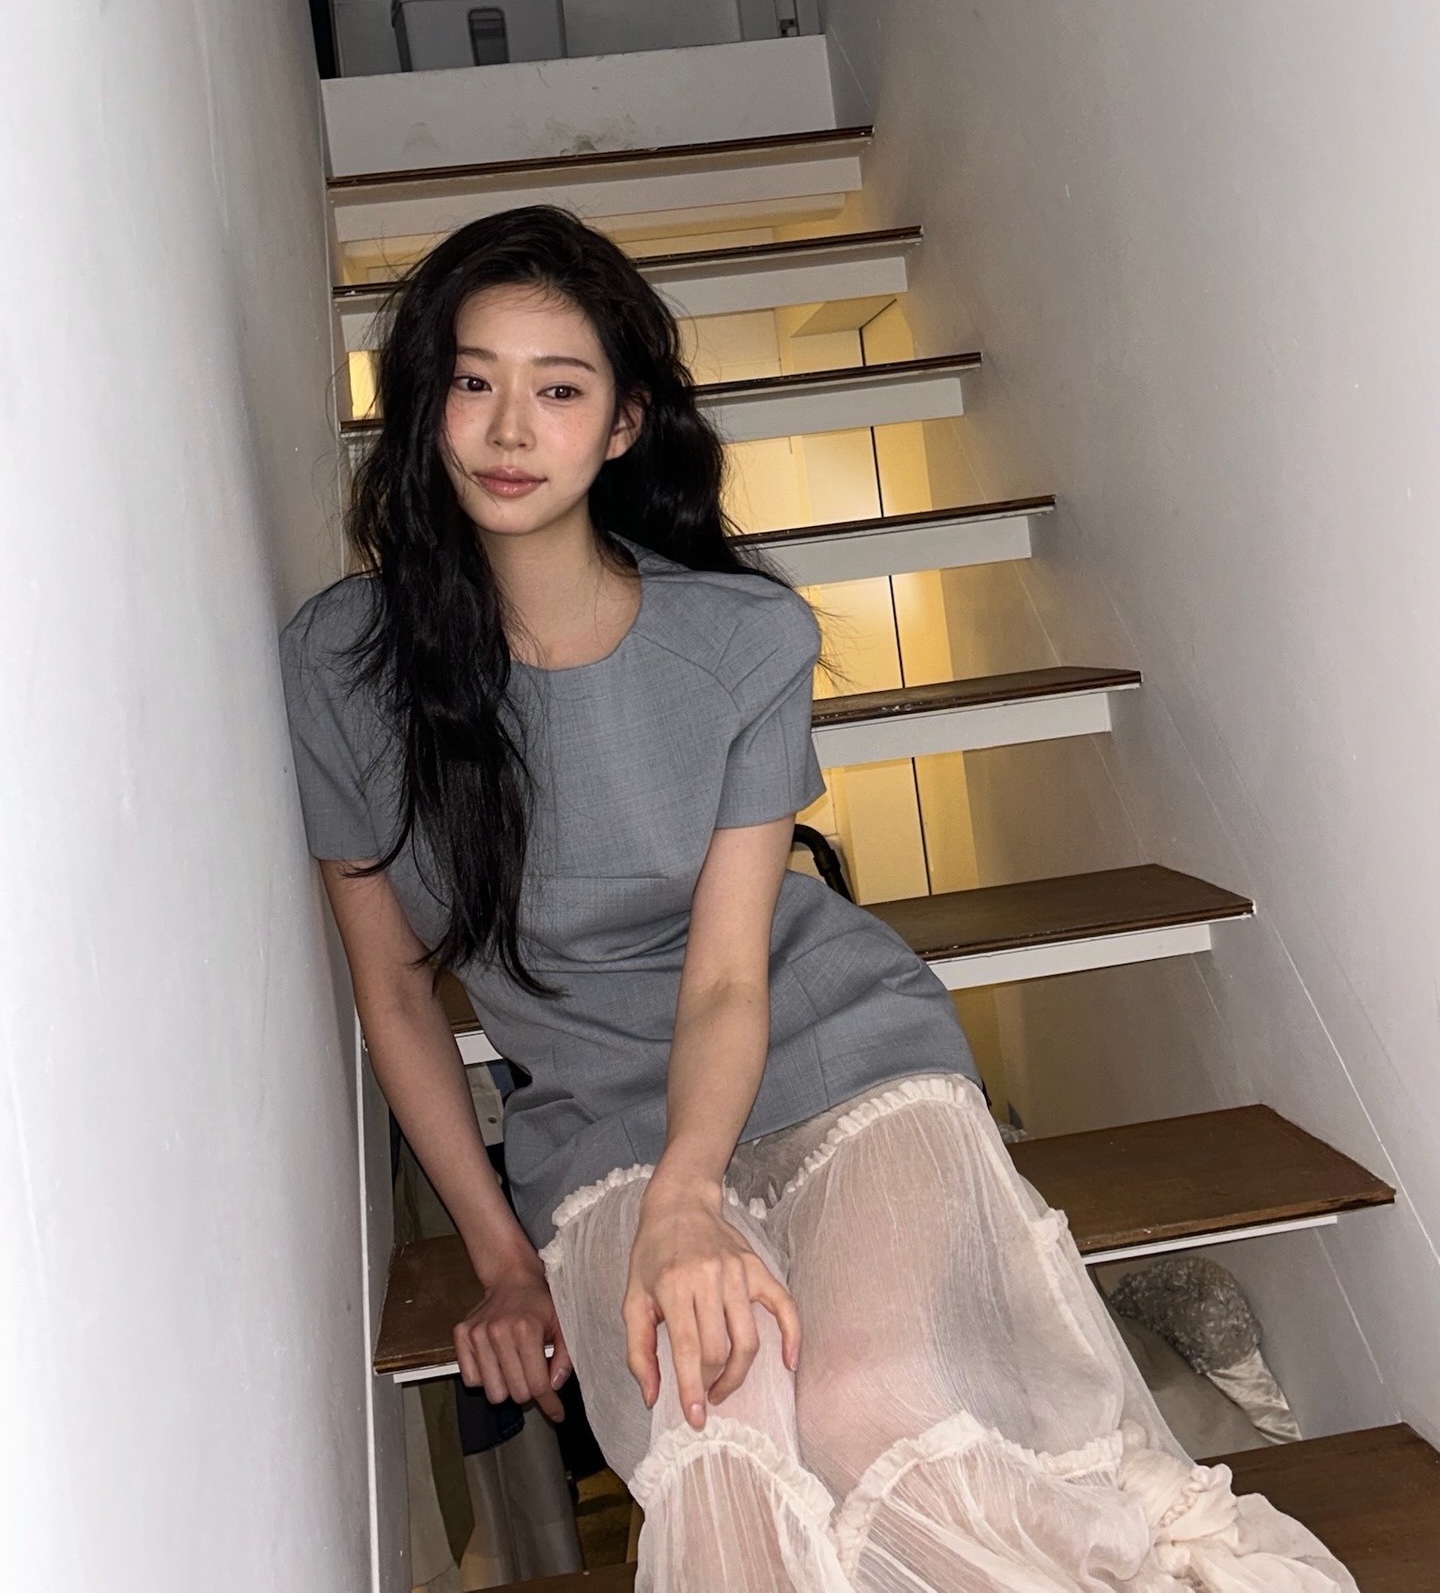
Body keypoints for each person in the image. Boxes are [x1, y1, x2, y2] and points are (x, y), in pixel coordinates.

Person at [281, 207, 1355, 1592]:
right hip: (598, 1120)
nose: (507, 428)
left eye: (559, 390)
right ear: (426, 401)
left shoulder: (742, 638)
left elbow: (732, 974)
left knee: (870, 1404)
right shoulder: (344, 664)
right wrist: (500, 1259)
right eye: (472, 380)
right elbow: (390, 989)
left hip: (835, 1047)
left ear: (623, 424)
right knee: (723, 1443)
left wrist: (693, 1199)